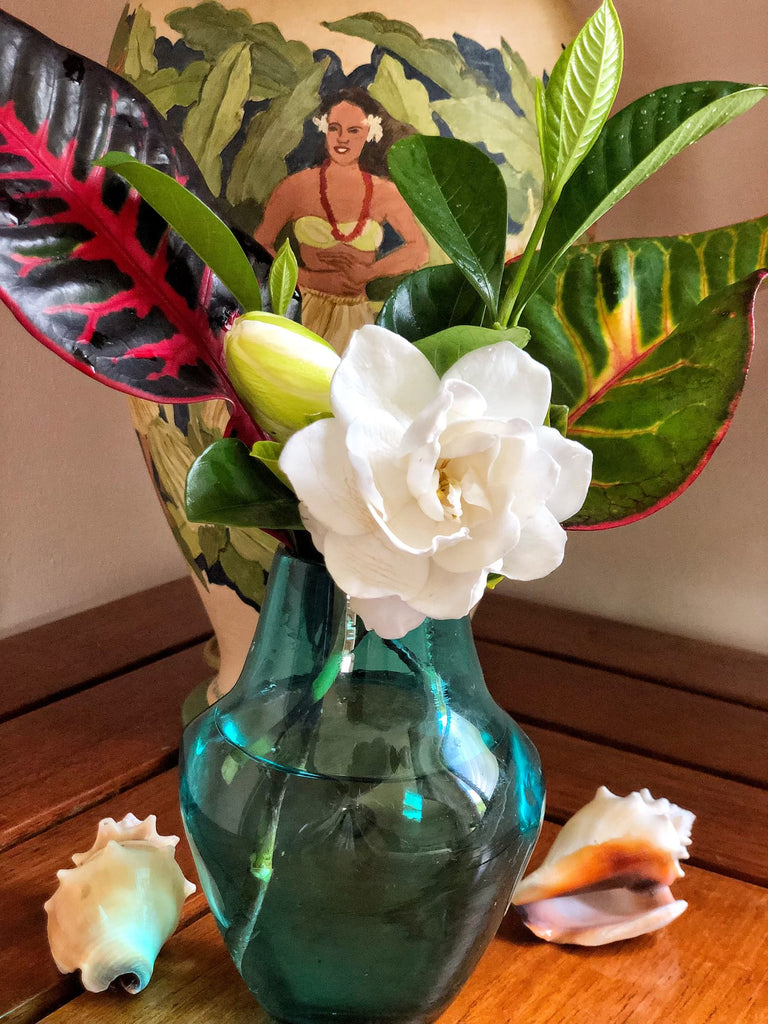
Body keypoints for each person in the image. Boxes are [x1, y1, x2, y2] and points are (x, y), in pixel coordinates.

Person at [254, 88, 430, 353]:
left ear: (370, 133)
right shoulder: (296, 187)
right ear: (324, 129)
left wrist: (369, 273)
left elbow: (419, 250)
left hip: (355, 317)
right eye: (335, 128)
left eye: (353, 131)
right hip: (302, 308)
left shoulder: (384, 193)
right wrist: (309, 279)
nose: (342, 139)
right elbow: (259, 246)